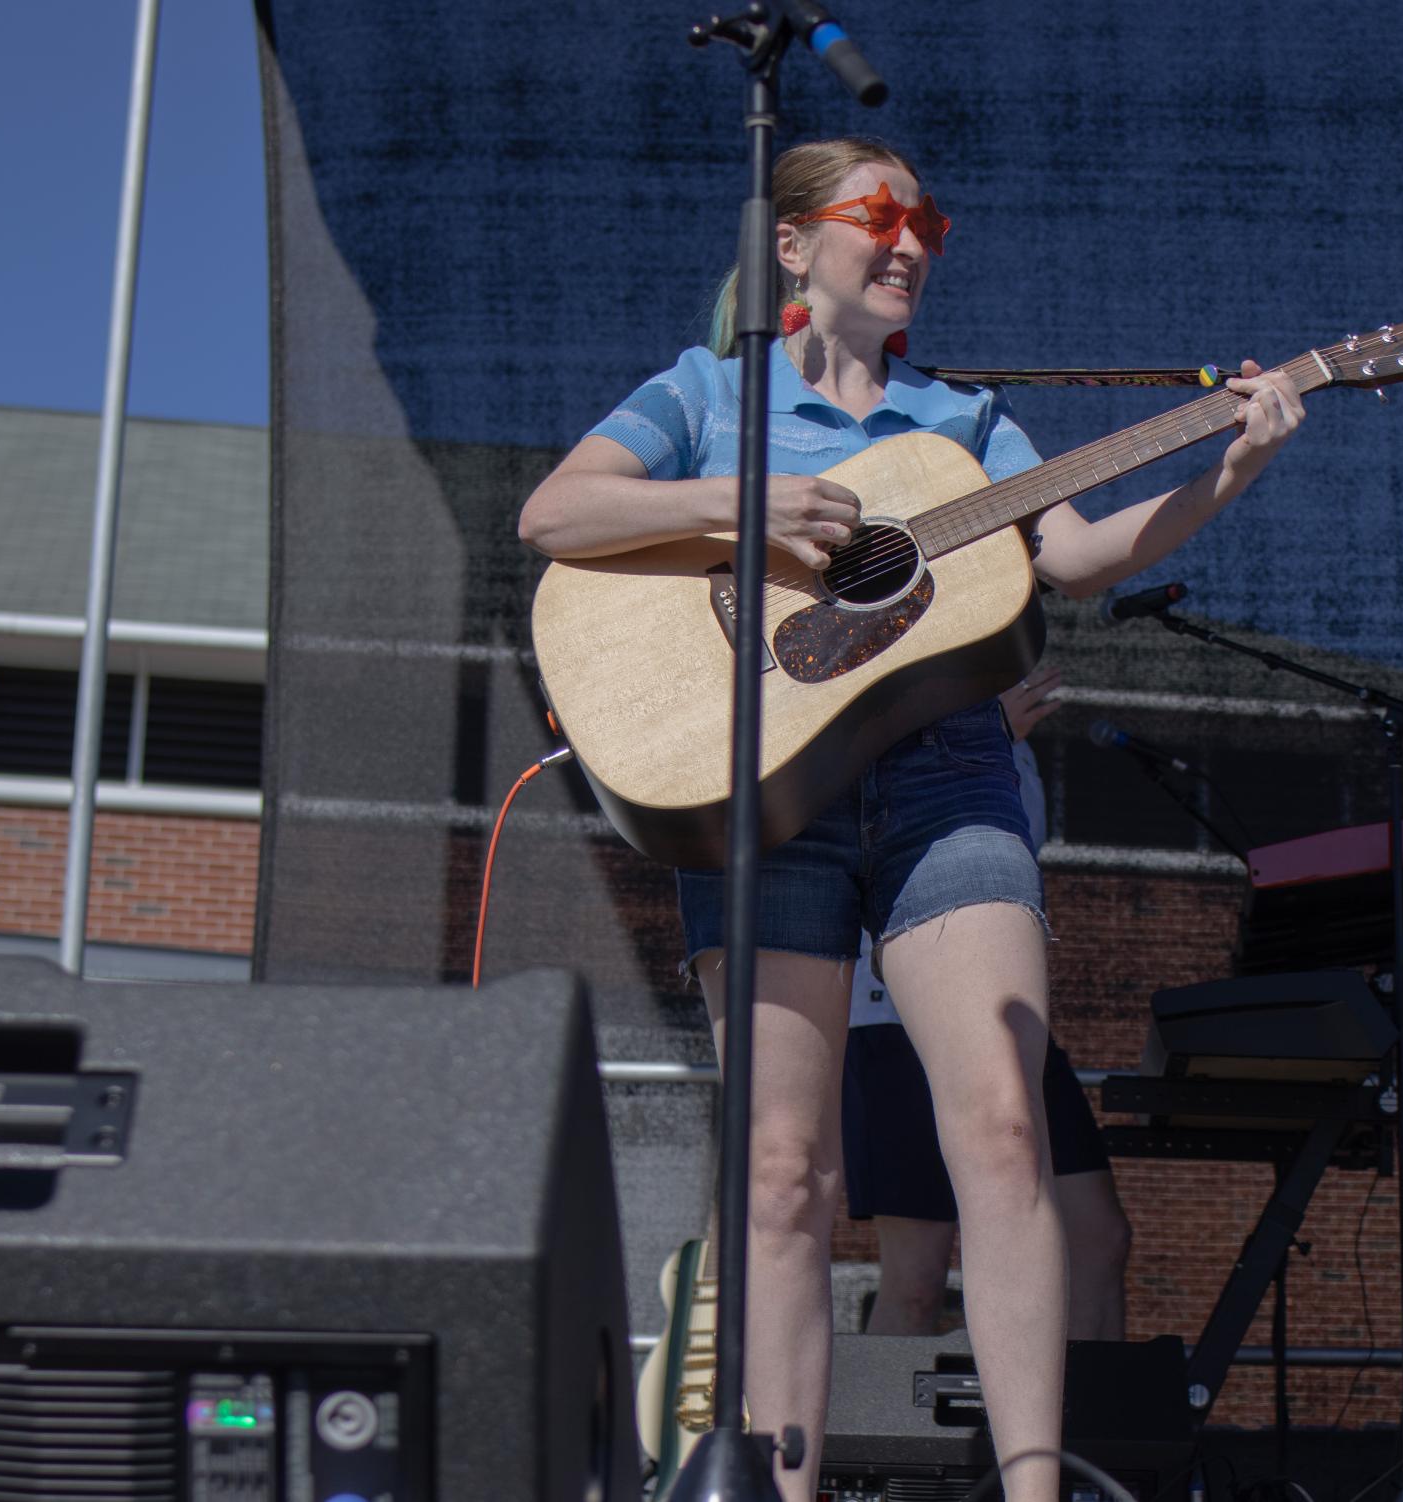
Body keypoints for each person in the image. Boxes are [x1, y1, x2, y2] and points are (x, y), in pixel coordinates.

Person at [518, 135, 1305, 1502]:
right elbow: (557, 514)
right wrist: (746, 509)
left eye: (926, 219)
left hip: (949, 778)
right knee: (780, 1172)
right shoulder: (708, 393)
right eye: (880, 214)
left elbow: (1070, 556)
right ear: (790, 244)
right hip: (759, 785)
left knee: (1002, 1124)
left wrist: (1228, 466)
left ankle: (1033, 1489)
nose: (912, 241)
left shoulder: (970, 422)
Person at [845, 667, 1134, 1341]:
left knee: (1097, 1239)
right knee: (917, 1279)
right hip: (896, 1017)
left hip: (1006, 1012)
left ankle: (1088, 1442)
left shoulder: (1011, 728)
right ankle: (876, 1450)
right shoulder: (888, 682)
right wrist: (981, 732)